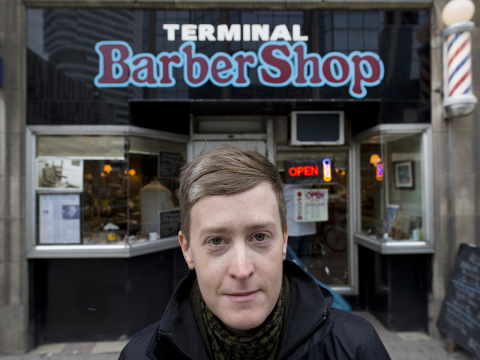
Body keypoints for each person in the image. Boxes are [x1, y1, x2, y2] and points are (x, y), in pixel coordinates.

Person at [119, 146, 391, 360]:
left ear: (284, 240)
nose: (241, 269)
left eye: (259, 236)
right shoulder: (140, 355)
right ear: (187, 249)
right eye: (216, 241)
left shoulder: (356, 348)